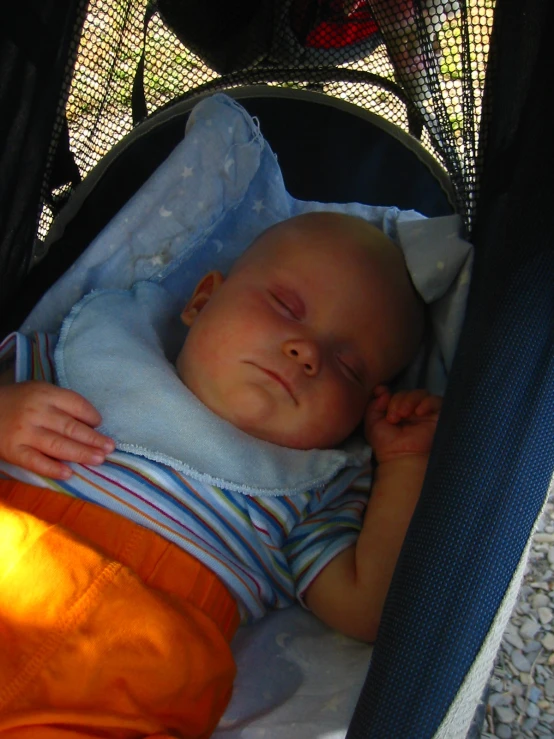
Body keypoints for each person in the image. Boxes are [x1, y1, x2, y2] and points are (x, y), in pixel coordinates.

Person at [0, 211, 441, 738]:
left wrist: (407, 464)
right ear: (203, 300)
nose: (307, 353)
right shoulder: (93, 356)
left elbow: (368, 610)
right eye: (285, 307)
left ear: (358, 413)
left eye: (348, 368)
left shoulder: (309, 487)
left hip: (128, 683)